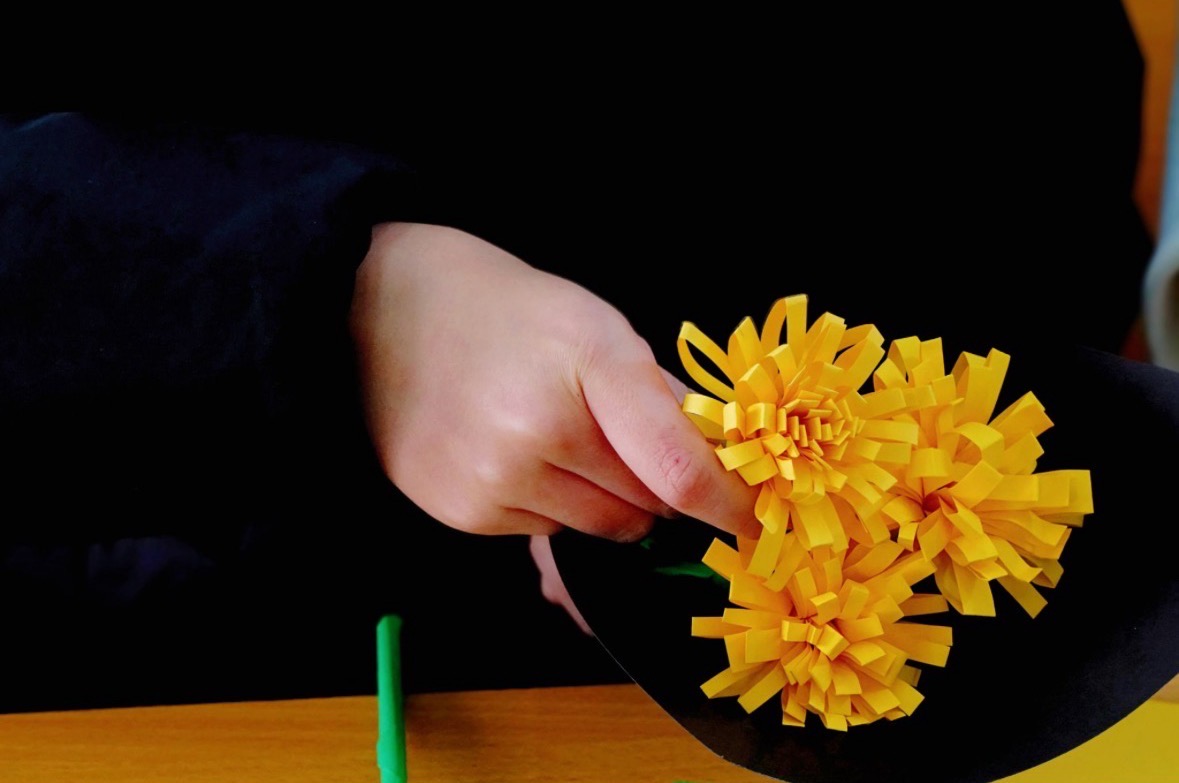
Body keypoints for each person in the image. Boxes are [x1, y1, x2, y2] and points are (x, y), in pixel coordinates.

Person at [0, 2, 1156, 712]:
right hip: (204, 619)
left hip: (801, 660)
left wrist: (846, 479)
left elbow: (1038, 144)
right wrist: (340, 307)